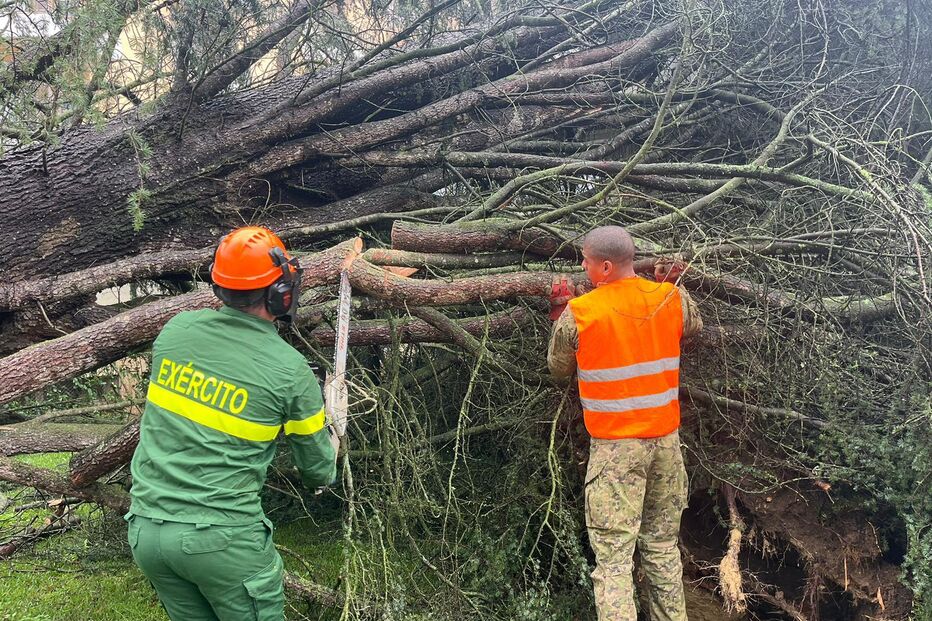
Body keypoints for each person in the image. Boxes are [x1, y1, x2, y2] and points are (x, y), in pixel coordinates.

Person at [125, 226, 339, 621]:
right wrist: (330, 434)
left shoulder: (176, 332)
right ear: (281, 294)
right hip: (221, 540)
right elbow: (318, 471)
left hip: (147, 532)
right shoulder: (290, 371)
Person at [547, 226, 702, 621]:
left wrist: (557, 314)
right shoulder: (669, 297)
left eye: (584, 260)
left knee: (614, 562)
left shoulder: (581, 313)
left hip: (617, 454)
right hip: (666, 446)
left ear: (604, 266)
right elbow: (694, 328)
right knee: (662, 548)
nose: (581, 267)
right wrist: (669, 283)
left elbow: (558, 369)